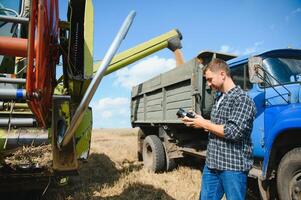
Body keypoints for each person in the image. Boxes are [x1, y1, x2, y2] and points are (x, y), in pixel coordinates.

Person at [182, 58, 256, 200]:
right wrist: (201, 121)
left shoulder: (242, 99)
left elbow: (232, 131)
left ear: (222, 74)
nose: (208, 85)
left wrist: (204, 124)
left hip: (233, 167)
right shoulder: (219, 98)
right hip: (212, 163)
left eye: (210, 80)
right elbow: (218, 125)